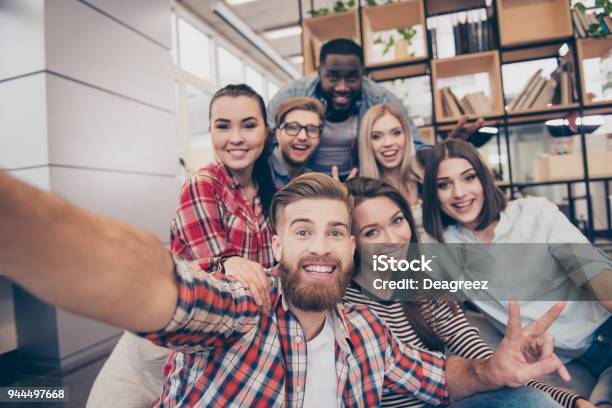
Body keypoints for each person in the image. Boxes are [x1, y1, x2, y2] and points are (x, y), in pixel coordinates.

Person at [1, 170, 573, 407]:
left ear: (350, 249)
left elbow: (437, 372)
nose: (321, 247)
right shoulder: (244, 306)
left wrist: (494, 369)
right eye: (303, 232)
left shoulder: (368, 333)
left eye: (335, 233)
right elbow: (151, 280)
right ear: (274, 247)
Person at [87, 84, 277, 407]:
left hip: (207, 350)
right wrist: (238, 266)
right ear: (210, 131)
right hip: (157, 345)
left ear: (266, 130)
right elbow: (225, 268)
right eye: (223, 126)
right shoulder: (203, 183)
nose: (236, 137)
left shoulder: (265, 192)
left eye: (248, 124)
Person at [344, 176, 590, 408]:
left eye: (397, 220)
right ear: (351, 242)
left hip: (452, 400)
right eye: (372, 232)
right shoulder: (347, 309)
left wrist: (573, 402)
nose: (393, 239)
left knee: (526, 398)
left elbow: (490, 363)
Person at [421, 139, 612, 405]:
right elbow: (390, 221)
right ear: (432, 193)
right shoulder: (438, 246)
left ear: (484, 178)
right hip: (567, 357)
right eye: (444, 184)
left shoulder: (535, 214)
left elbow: (595, 272)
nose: (459, 193)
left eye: (469, 178)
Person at [267, 38, 483, 179]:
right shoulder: (292, 94)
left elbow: (414, 145)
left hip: (360, 181)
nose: (342, 87)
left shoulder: (380, 98)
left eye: (352, 77)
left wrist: (444, 151)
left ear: (363, 73)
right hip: (303, 180)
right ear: (319, 71)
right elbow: (266, 140)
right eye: (333, 76)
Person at [358, 103, 424, 236]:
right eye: (376, 136)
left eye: (396, 133)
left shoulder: (425, 177)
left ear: (407, 136)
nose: (388, 143)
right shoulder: (363, 195)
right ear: (367, 143)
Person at [268, 97, 324, 188]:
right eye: (293, 128)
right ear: (278, 134)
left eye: (312, 129)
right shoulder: (255, 171)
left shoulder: (313, 182)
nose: (303, 137)